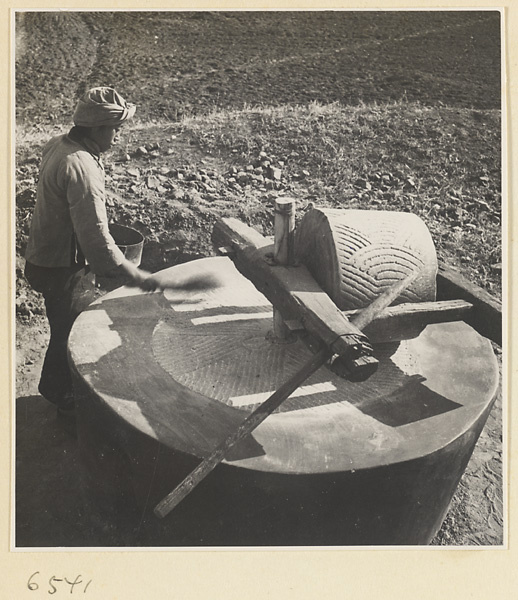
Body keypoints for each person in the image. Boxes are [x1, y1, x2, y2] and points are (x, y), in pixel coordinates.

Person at [24, 86, 162, 422]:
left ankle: (57, 388)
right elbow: (96, 239)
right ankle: (61, 395)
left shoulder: (59, 144)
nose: (117, 137)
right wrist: (131, 272)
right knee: (69, 328)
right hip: (60, 264)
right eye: (115, 129)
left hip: (43, 254)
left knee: (63, 322)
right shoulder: (82, 167)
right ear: (97, 129)